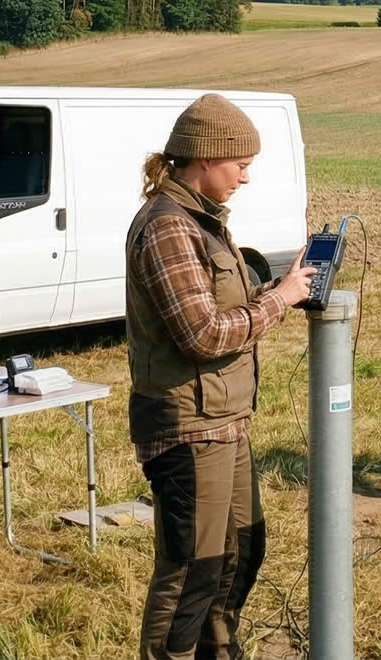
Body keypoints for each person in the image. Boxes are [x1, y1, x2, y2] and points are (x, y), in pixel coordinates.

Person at [128, 94, 314, 660]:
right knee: (190, 572)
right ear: (206, 158)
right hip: (187, 428)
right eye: (240, 163)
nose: (247, 176)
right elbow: (203, 334)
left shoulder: (203, 222)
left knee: (241, 552)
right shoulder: (166, 227)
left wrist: (276, 288)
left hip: (225, 423)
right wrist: (280, 301)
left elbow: (217, 307)